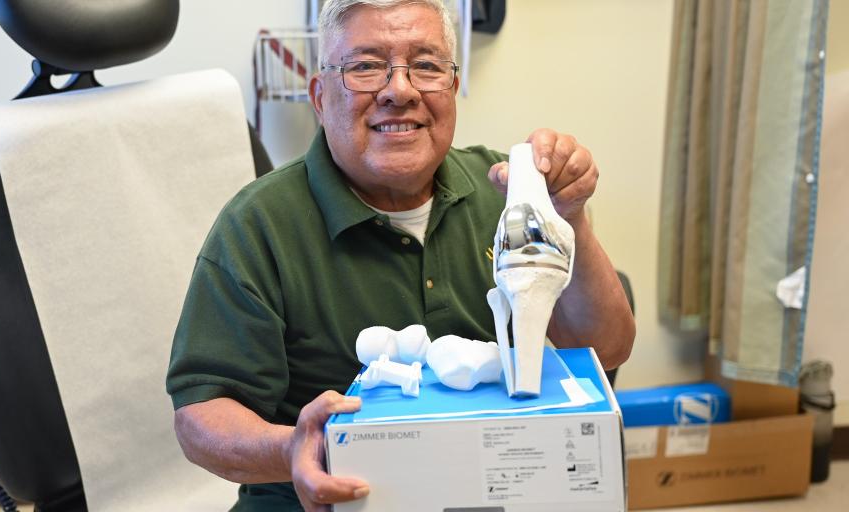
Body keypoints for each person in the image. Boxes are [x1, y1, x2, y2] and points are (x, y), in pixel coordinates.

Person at [166, 1, 635, 510]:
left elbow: (604, 349)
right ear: (321, 97)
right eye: (366, 66)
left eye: (427, 66)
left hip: (489, 487)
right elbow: (201, 417)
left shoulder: (504, 188)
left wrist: (569, 215)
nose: (400, 90)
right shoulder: (258, 224)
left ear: (452, 90)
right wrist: (297, 449)